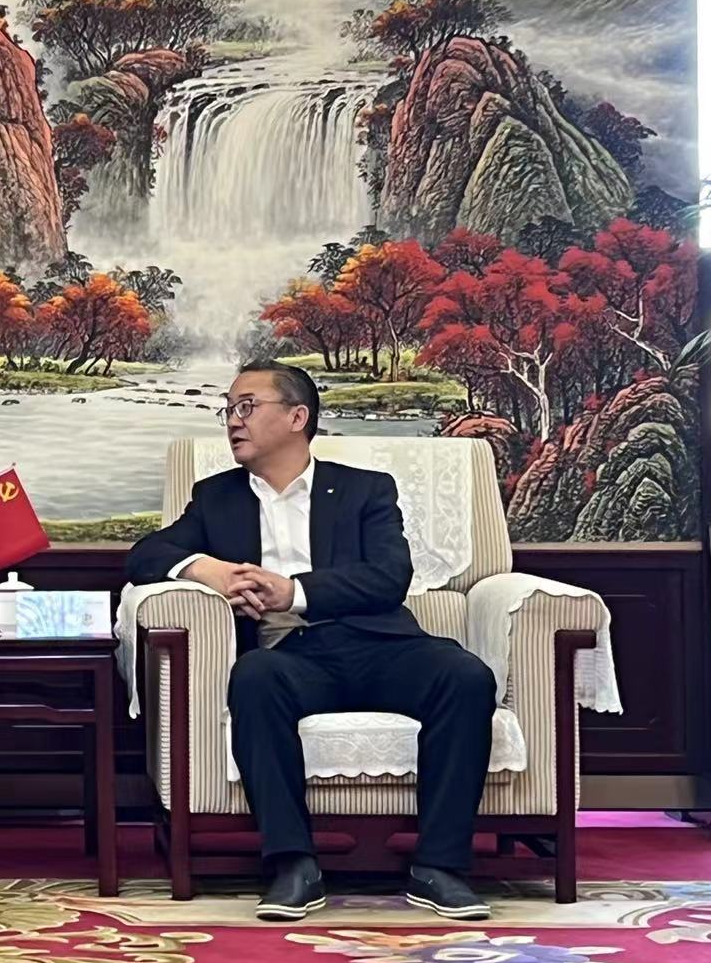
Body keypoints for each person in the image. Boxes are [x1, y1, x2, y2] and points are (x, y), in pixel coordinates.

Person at [126, 360, 496, 922]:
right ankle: (293, 865)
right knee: (253, 678)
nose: (233, 420)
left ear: (297, 417)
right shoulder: (217, 497)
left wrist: (293, 591)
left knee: (466, 676)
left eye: (247, 406)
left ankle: (439, 868)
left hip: (379, 643)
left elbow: (389, 577)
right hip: (290, 656)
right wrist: (209, 570)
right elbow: (145, 555)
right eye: (228, 409)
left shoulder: (364, 490)